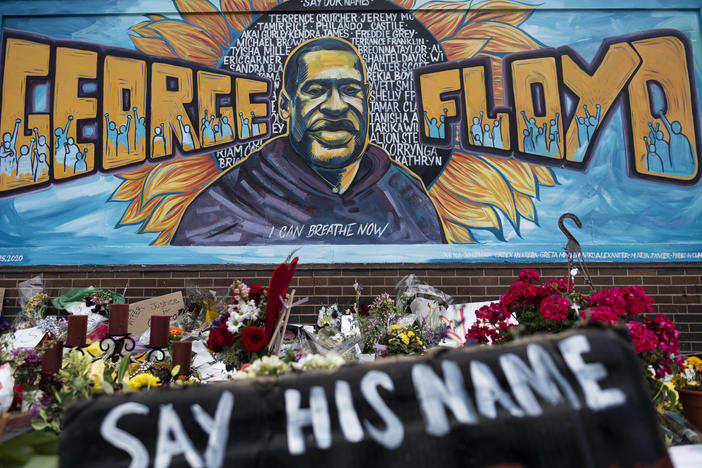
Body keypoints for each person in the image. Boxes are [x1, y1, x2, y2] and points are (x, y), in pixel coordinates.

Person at [172, 37, 445, 245]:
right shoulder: (227, 204)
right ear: (284, 105)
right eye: (315, 91)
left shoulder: (406, 197)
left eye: (350, 90)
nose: (336, 107)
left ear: (367, 98)